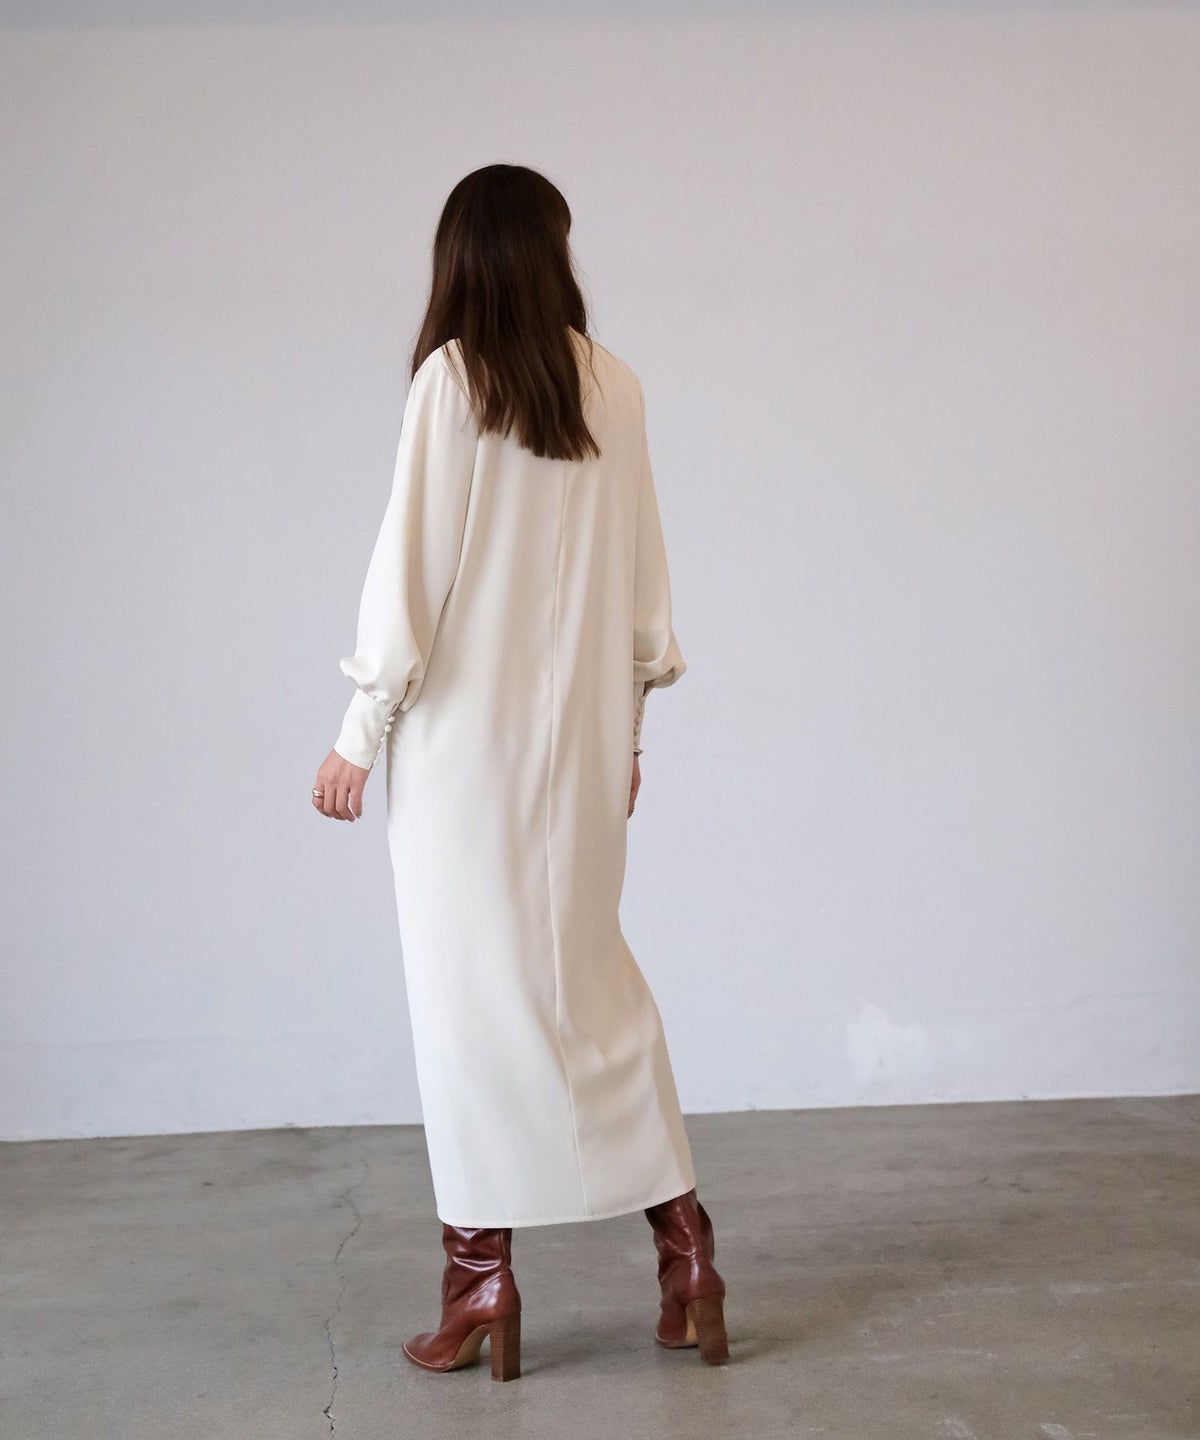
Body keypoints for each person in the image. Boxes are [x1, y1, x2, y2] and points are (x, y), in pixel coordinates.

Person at [311, 163, 728, 1380]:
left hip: (463, 760)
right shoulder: (617, 386)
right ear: (552, 250)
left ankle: (481, 1282)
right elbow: (644, 589)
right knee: (592, 990)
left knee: (468, 1014)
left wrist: (358, 733)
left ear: (461, 257)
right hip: (582, 754)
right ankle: (687, 1255)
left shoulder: (453, 383)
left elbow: (411, 577)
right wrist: (628, 735)